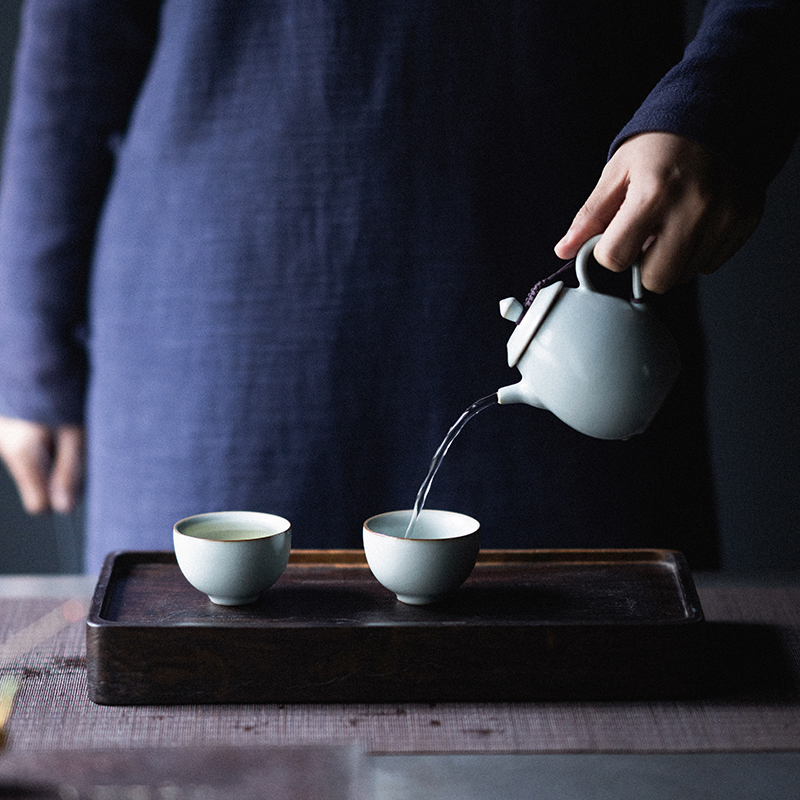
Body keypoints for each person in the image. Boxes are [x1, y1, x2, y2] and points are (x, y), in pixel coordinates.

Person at [0, 1, 797, 573]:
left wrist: (725, 100)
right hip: (210, 326)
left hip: (581, 298)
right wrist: (32, 343)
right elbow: (77, 35)